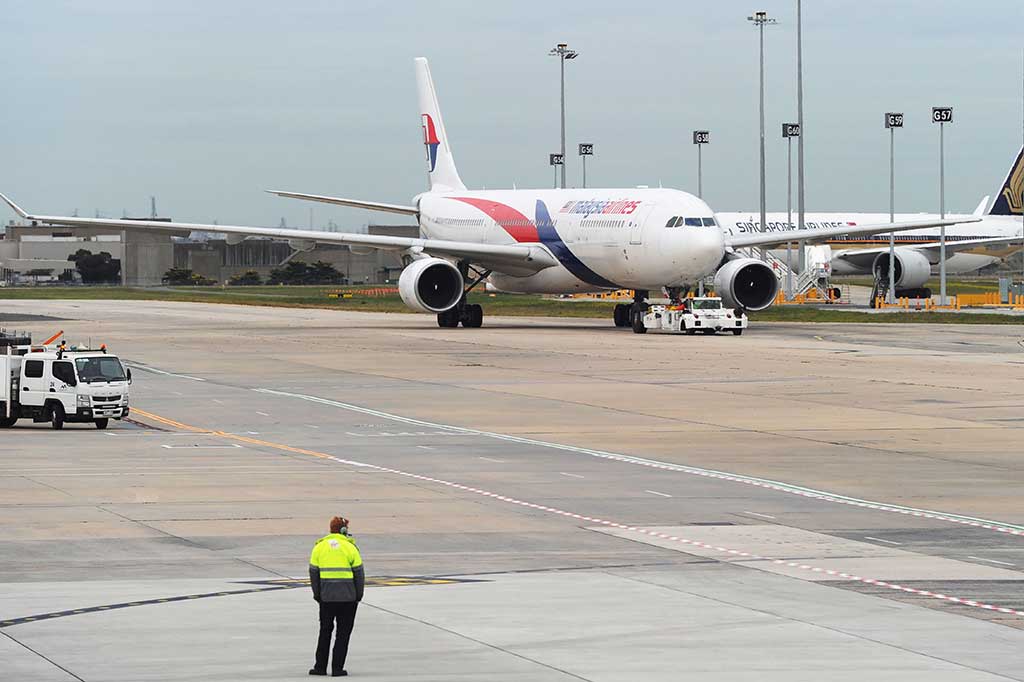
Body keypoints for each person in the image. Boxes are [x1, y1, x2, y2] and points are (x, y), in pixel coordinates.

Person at [308, 516, 364, 677]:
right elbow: (359, 574)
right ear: (344, 530)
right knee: (343, 633)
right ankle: (337, 668)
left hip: (326, 598)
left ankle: (320, 667)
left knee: (325, 630)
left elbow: (313, 573)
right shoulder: (350, 548)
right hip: (348, 599)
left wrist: (318, 595)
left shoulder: (319, 547)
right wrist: (358, 596)